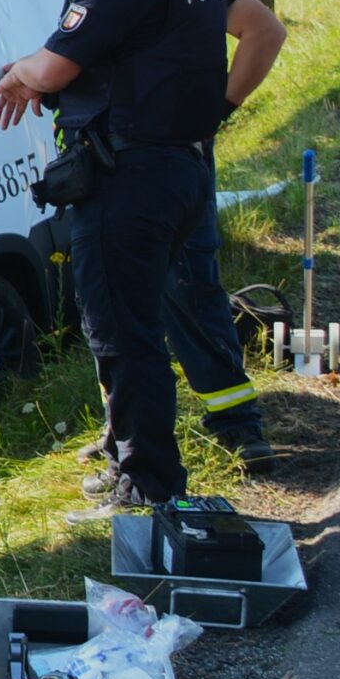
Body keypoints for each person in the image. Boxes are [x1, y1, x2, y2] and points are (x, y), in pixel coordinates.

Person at [0, 0, 285, 511]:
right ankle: (217, 434)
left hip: (128, 179)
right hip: (184, 167)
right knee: (187, 302)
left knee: (126, 332)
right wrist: (217, 113)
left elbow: (56, 67)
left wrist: (20, 71)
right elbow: (265, 30)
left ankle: (146, 481)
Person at [82, 165, 277, 497]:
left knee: (191, 292)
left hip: (170, 159)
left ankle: (239, 425)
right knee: (114, 319)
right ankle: (122, 439)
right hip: (103, 170)